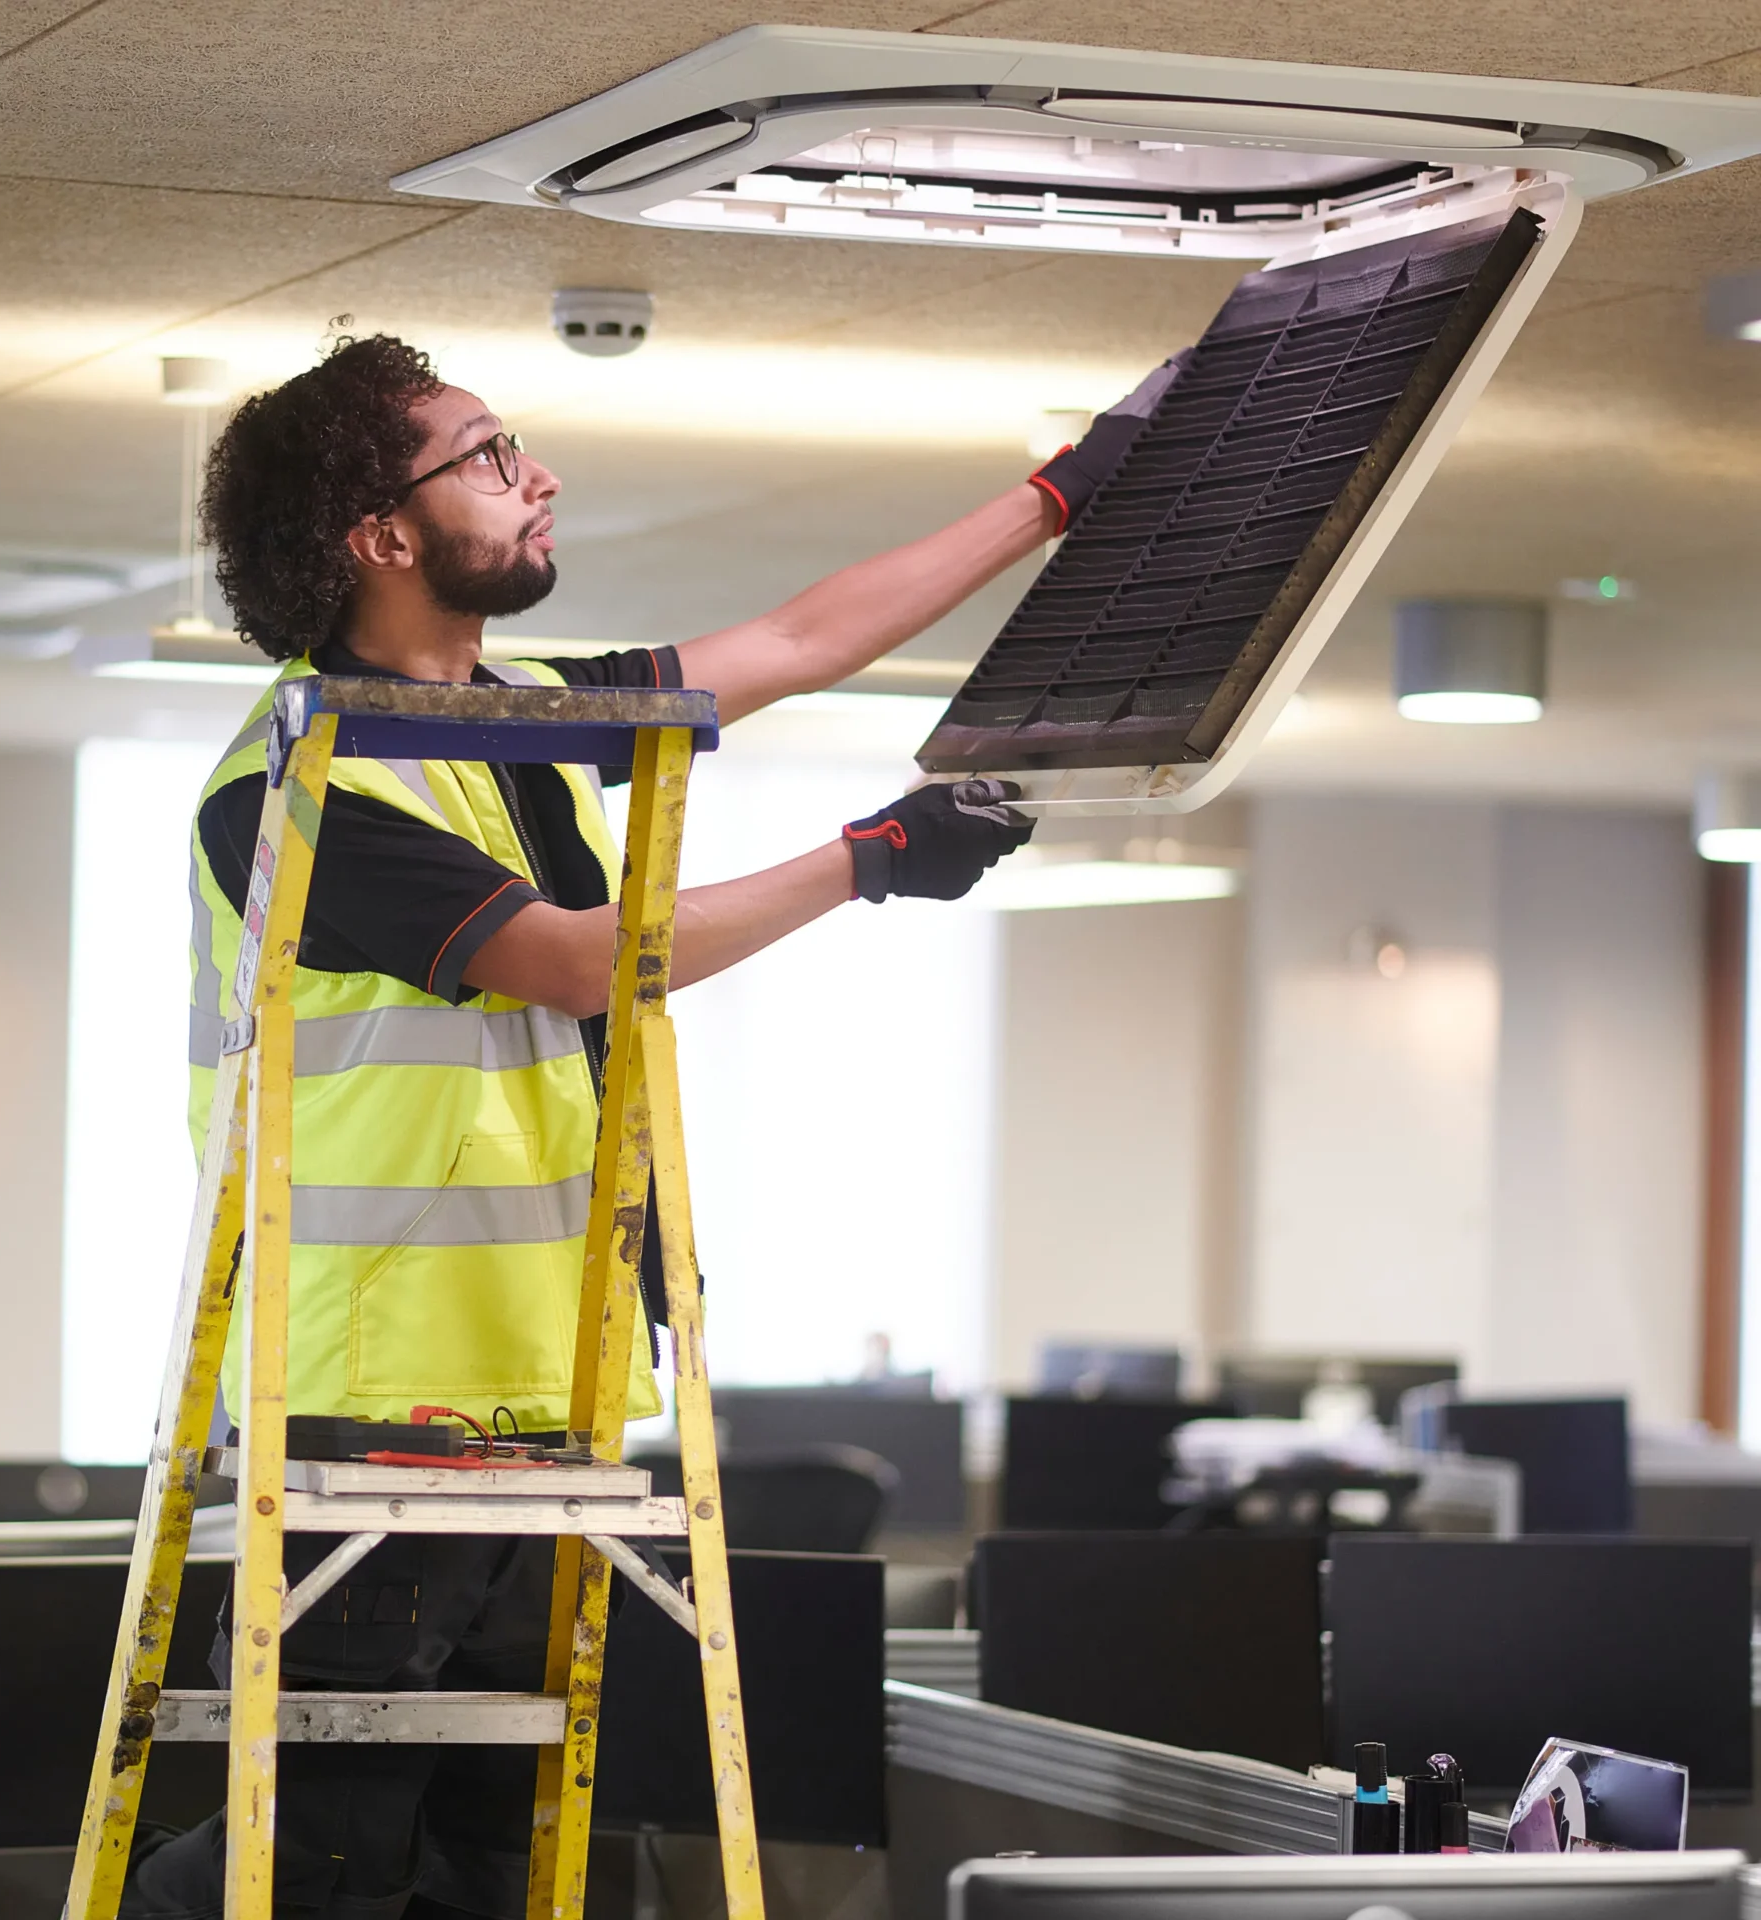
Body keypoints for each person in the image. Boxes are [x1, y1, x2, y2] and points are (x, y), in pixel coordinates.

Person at [122, 331, 1175, 1920]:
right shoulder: (302, 782)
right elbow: (574, 960)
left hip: (544, 1396)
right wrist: (867, 858)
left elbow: (804, 637)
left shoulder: (510, 717)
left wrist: (1053, 498)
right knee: (328, 1861)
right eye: (487, 456)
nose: (535, 477)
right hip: (365, 1409)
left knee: (508, 1860)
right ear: (381, 535)